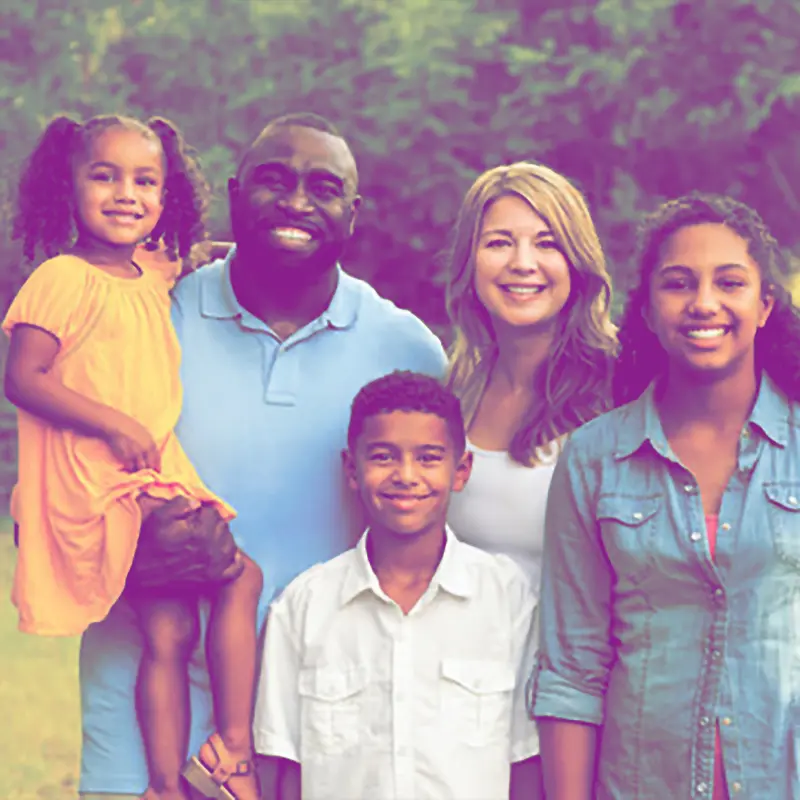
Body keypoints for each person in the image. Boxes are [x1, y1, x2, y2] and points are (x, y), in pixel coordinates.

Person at [76, 112, 448, 799]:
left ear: (353, 212)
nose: (297, 202)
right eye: (273, 181)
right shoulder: (146, 315)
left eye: (323, 187)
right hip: (146, 703)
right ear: (234, 191)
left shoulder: (410, 351)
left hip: (331, 715)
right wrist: (124, 551)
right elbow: (51, 493)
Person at [5, 114, 263, 800]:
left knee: (172, 630)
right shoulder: (61, 278)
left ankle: (165, 784)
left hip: (150, 473)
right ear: (68, 187)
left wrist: (249, 247)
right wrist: (111, 422)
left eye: (145, 180)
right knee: (239, 578)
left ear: (166, 194)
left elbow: (197, 254)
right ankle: (231, 749)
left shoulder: (151, 269)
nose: (126, 194)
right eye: (105, 176)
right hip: (104, 480)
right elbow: (23, 377)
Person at [532, 192, 800, 799]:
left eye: (729, 282)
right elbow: (572, 671)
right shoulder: (595, 458)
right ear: (648, 312)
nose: (704, 302)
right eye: (678, 283)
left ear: (764, 305)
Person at [253, 371, 539, 800]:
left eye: (428, 458)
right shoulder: (303, 606)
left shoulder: (508, 600)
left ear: (461, 471)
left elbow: (527, 762)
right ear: (352, 468)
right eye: (384, 457)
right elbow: (286, 769)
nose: (406, 475)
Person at [444, 162, 617, 794]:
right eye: (499, 242)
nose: (523, 262)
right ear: (470, 261)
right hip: (466, 719)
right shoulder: (454, 388)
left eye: (547, 243)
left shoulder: (621, 391)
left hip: (584, 726)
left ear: (578, 263)